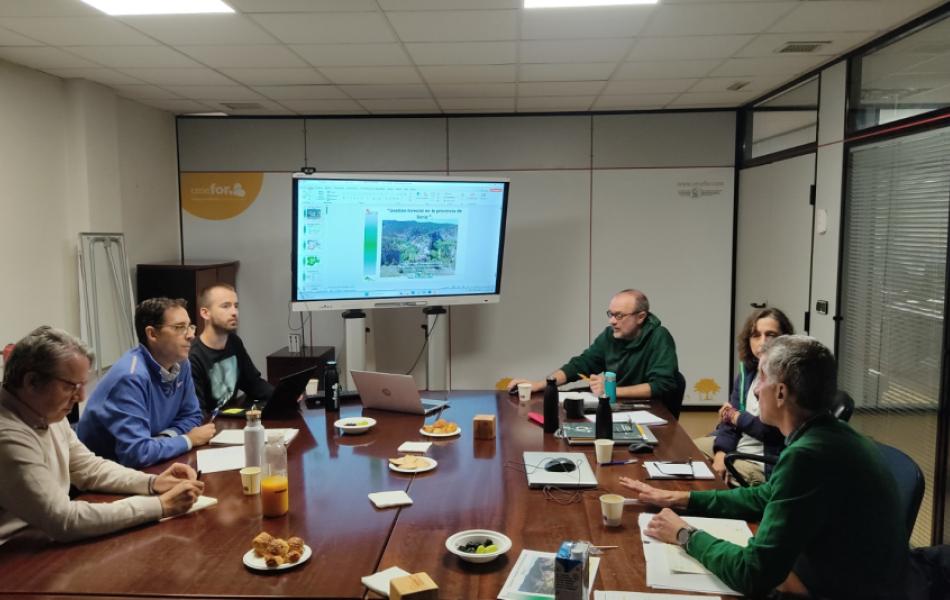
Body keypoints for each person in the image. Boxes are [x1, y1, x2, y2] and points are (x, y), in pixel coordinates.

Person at [621, 335, 910, 599]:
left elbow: (754, 574)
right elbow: (765, 495)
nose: (756, 390)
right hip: (858, 573)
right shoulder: (830, 433)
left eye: (761, 378)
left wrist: (685, 535)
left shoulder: (808, 456)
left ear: (781, 393)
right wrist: (680, 499)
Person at [0, 326, 203, 545]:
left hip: (41, 538)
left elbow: (89, 468)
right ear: (31, 382)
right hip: (13, 556)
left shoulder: (44, 412)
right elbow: (63, 519)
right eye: (71, 386)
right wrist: (161, 505)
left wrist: (153, 483)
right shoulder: (8, 434)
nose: (81, 396)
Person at [78, 298, 215, 469]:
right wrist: (188, 439)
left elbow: (193, 415)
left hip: (151, 464)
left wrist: (163, 439)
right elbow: (137, 454)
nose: (191, 335)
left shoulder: (181, 363)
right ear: (152, 334)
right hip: (103, 479)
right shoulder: (131, 377)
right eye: (180, 327)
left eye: (190, 326)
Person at [508, 289, 680, 406]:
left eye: (619, 315)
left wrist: (611, 390)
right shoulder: (610, 335)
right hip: (617, 406)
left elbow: (662, 385)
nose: (612, 321)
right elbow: (580, 365)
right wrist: (540, 384)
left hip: (650, 410)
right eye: (611, 314)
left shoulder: (659, 337)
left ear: (641, 317)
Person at [693, 307, 793, 485]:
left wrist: (737, 417)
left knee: (703, 481)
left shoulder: (789, 378)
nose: (763, 342)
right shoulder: (747, 371)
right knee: (686, 450)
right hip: (737, 448)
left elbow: (775, 432)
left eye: (770, 335)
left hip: (761, 463)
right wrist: (720, 455)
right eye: (756, 335)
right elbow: (729, 424)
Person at [189, 284, 273, 414]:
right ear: (205, 313)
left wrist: (285, 397)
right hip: (211, 425)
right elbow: (199, 413)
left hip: (232, 417)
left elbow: (253, 383)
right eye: (226, 306)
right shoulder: (193, 356)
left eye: (236, 306)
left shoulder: (234, 342)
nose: (234, 312)